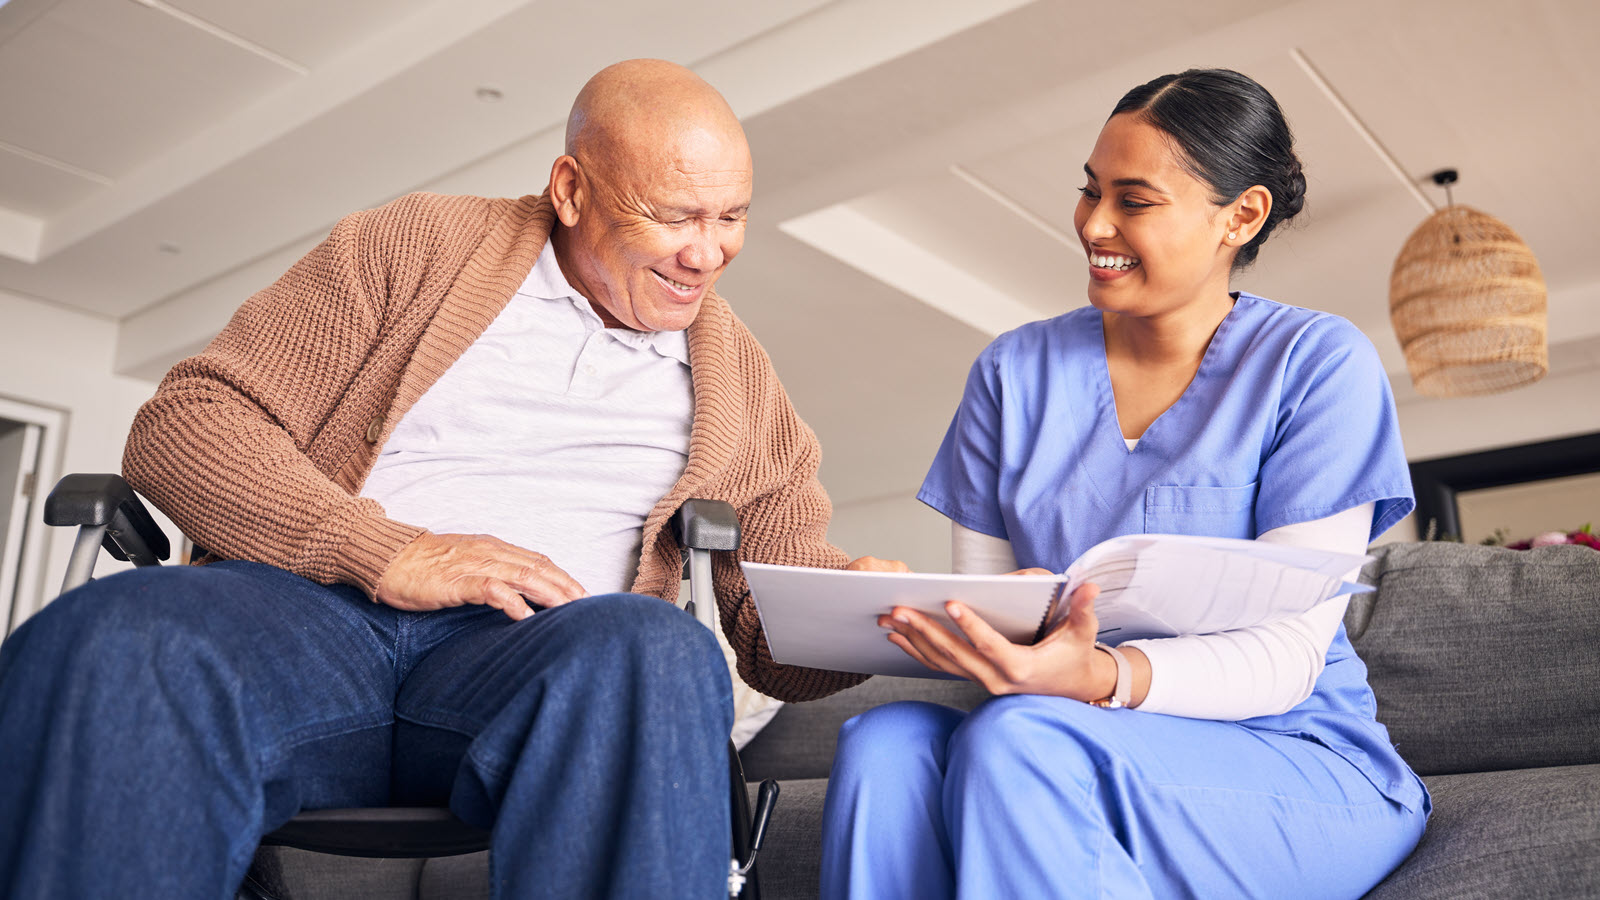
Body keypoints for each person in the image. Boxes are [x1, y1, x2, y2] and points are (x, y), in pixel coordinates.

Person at [0, 59, 896, 900]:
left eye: (730, 215)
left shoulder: (741, 379)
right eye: (673, 216)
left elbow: (770, 631)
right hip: (308, 621)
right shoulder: (417, 244)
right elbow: (186, 424)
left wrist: (866, 620)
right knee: (113, 637)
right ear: (572, 189)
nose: (708, 254)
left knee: (657, 648)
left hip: (539, 659)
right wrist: (384, 550)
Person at [819, 68, 1429, 899]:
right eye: (1089, 190)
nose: (1093, 223)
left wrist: (1102, 678)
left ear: (1239, 215)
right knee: (883, 745)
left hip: (1289, 754)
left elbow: (1288, 658)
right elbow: (1001, 629)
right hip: (1058, 729)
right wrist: (932, 615)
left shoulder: (1317, 365)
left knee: (1024, 738)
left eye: (1133, 200)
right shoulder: (1011, 373)